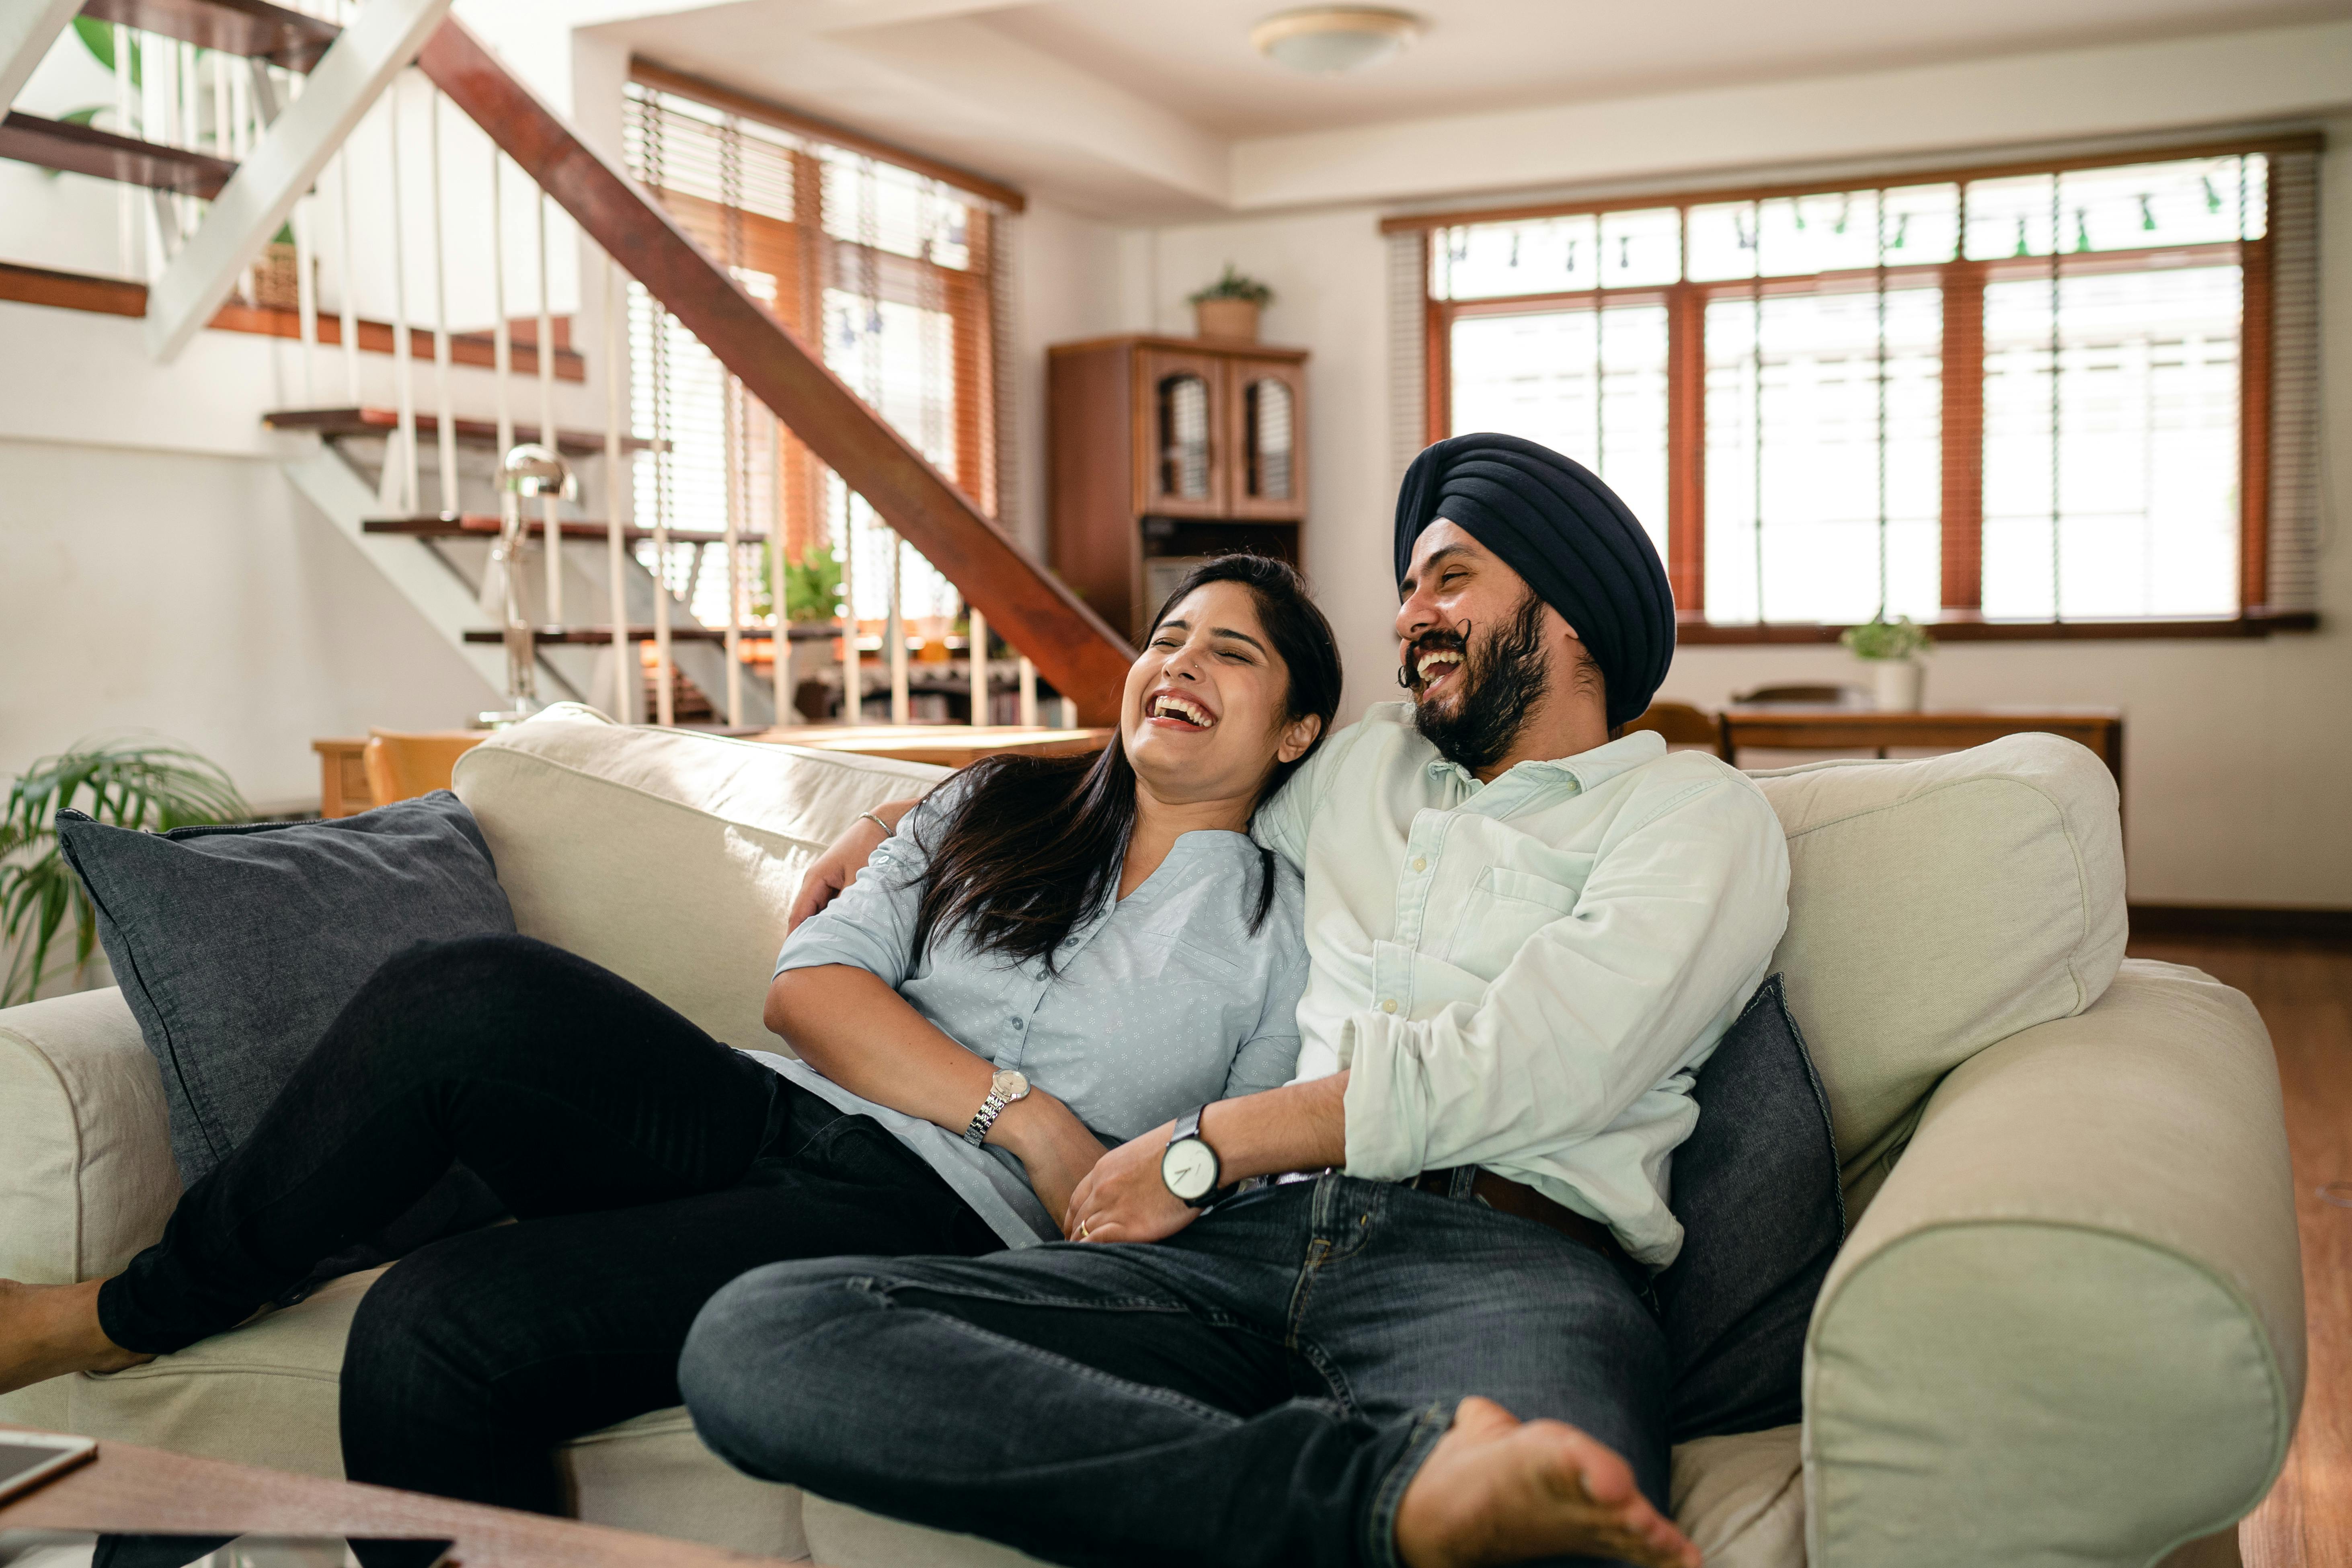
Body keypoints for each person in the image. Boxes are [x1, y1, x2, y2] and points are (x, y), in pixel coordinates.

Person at [0, 554, 1342, 1519]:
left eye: (1232, 653)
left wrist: (1116, 1179)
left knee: (430, 1333)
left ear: (1297, 730)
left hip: (925, 1223)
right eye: (1168, 636)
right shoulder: (992, 803)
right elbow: (809, 988)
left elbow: (1243, 1182)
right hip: (772, 1109)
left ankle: (204, 1302)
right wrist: (1027, 1113)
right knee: (463, 988)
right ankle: (131, 1314)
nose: (1179, 663)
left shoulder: (1288, 936)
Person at [679, 433, 1792, 1568]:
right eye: (1405, 589)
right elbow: (1170, 743)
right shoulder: (1366, 767)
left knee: (1562, 1530)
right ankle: (1372, 1501)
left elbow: (1542, 1058)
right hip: (1236, 1249)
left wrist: (1209, 1144)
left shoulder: (1692, 815)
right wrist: (912, 813)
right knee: (764, 1333)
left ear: (1573, 618)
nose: (1408, 616)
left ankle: (1386, 1498)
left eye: (1448, 578)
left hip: (1501, 1263)